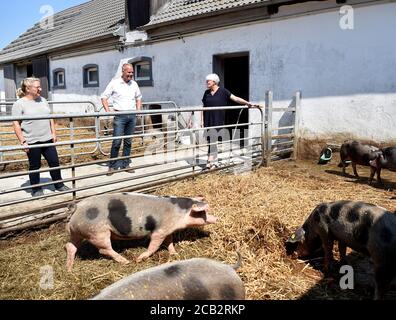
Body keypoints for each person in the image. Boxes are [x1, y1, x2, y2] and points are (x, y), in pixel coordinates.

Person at [12, 78, 69, 197]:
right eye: (37, 87)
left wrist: (54, 133)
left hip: (47, 138)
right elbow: (16, 123)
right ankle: (36, 188)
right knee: (34, 165)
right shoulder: (19, 104)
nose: (40, 89)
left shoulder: (43, 100)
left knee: (54, 162)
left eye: (40, 86)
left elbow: (50, 117)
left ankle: (59, 184)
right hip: (31, 140)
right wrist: (23, 141)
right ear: (28, 89)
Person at [201, 73, 253, 169]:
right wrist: (201, 120)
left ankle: (209, 162)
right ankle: (213, 162)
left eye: (209, 80)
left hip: (217, 119)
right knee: (211, 141)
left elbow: (235, 98)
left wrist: (247, 103)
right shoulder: (206, 93)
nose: (207, 82)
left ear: (215, 82)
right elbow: (203, 107)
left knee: (213, 140)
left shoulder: (223, 91)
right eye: (206, 80)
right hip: (208, 119)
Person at [101, 63, 142, 175]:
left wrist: (138, 110)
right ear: (123, 72)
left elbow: (138, 98)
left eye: (132, 72)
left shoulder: (134, 84)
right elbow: (104, 97)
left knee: (128, 141)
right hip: (119, 116)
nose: (131, 74)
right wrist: (108, 111)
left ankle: (126, 164)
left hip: (132, 116)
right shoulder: (114, 83)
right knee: (117, 141)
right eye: (129, 72)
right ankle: (112, 165)